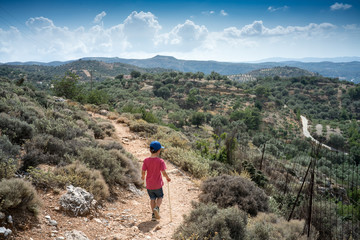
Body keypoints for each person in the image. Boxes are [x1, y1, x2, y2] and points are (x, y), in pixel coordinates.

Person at [141, 141, 171, 221]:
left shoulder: (146, 160)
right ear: (159, 151)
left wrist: (143, 177)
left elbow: (143, 171)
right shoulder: (160, 161)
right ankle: (157, 208)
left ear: (150, 150)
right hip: (157, 184)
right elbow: (163, 172)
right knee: (160, 196)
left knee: (152, 199)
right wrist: (167, 178)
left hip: (149, 185)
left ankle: (153, 215)